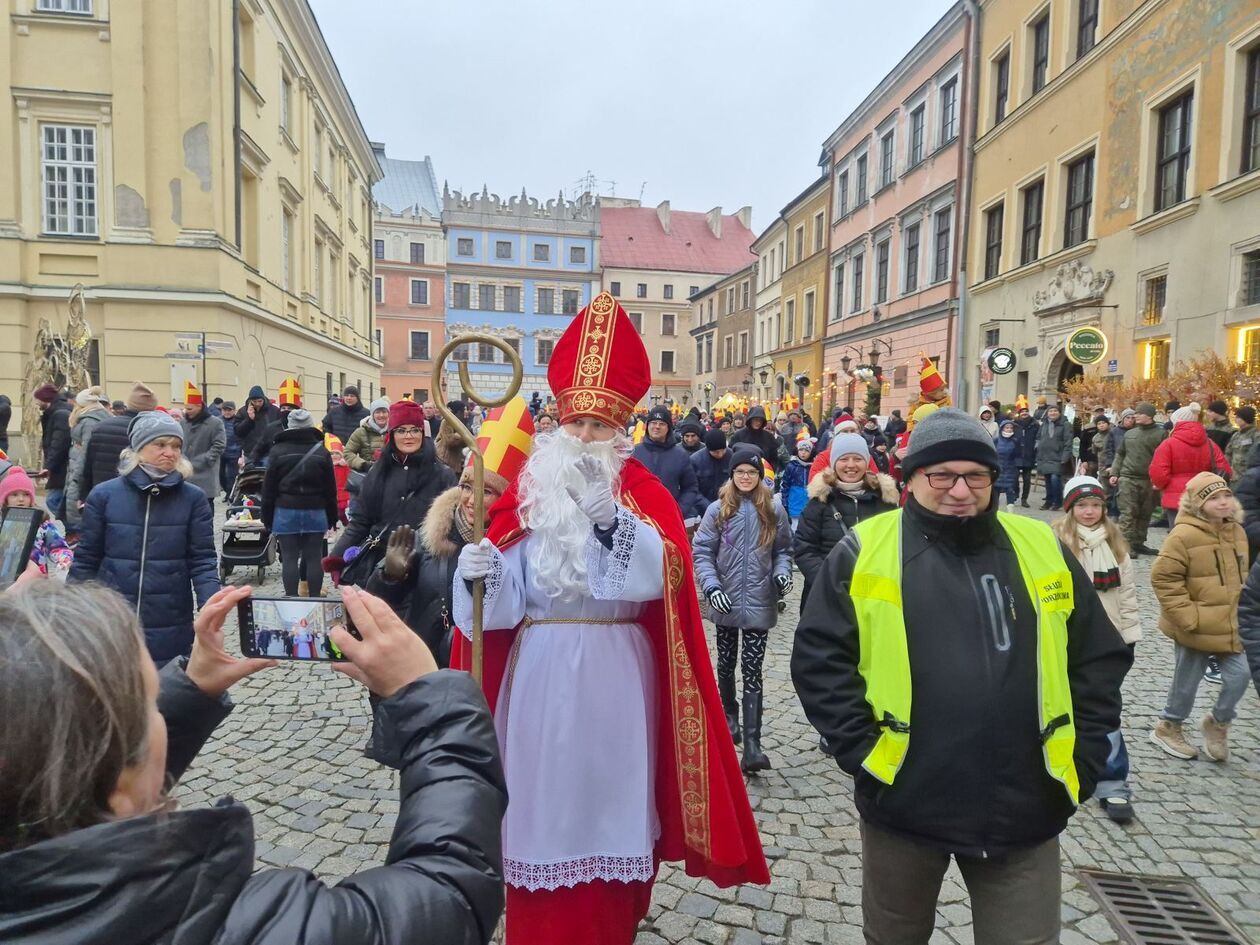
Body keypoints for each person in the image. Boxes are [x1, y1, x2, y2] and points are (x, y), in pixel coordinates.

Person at [451, 292, 767, 944]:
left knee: (611, 805)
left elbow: (664, 578)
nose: (587, 438)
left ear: (621, 430)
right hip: (538, 678)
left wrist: (609, 520)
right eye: (578, 427)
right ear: (558, 428)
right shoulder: (528, 494)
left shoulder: (640, 495)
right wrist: (479, 572)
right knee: (538, 808)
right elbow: (502, 612)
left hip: (617, 676)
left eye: (600, 427)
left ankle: (611, 923)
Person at [0, 581, 508, 944]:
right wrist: (429, 700)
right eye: (150, 704)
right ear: (117, 778)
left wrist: (191, 690)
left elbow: (89, 768)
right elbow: (449, 894)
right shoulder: (245, 926)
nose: (158, 712)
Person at [792, 408, 1131, 945]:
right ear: (911, 479)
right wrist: (863, 754)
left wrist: (1085, 759)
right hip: (905, 797)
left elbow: (1096, 657)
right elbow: (819, 658)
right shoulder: (865, 549)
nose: (959, 490)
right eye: (941, 475)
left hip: (1028, 800)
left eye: (976, 475)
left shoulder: (1039, 544)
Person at [368, 397, 534, 747]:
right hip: (430, 673)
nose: (471, 498)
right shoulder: (429, 539)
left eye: (486, 490)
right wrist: (390, 576)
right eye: (465, 485)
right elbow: (382, 604)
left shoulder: (520, 550)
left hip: (492, 685)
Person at [69, 412, 219, 664]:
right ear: (138, 448)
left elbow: (203, 559)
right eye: (160, 444)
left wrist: (211, 606)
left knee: (165, 692)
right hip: (114, 614)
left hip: (169, 616)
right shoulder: (104, 495)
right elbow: (87, 557)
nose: (170, 453)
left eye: (176, 446)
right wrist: (71, 605)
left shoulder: (193, 499)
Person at [693, 445, 793, 773]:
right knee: (726, 662)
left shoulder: (773, 509)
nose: (746, 477)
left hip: (760, 599)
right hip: (726, 597)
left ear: (759, 475)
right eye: (740, 472)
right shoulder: (718, 509)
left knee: (752, 669)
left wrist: (781, 573)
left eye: (751, 472)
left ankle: (753, 744)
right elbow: (703, 552)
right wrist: (711, 586)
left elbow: (784, 550)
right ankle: (729, 716)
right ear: (732, 475)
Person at [1052, 477, 1141, 823]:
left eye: (1096, 506)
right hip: (1067, 637)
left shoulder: (1116, 543)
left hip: (1109, 638)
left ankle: (1112, 779)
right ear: (1070, 509)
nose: (1089, 512)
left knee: (1105, 706)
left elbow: (1128, 595)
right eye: (1082, 506)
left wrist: (1129, 635)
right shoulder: (1056, 541)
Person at [1150, 473, 1250, 763]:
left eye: (1226, 496)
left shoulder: (1237, 532)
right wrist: (1188, 616)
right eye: (1213, 498)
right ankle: (1169, 726)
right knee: (1187, 681)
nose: (1222, 503)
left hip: (1230, 623)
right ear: (1197, 504)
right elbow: (1163, 577)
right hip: (1194, 625)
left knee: (1241, 675)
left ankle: (1218, 723)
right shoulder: (1183, 535)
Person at [325, 400, 457, 586]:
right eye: (401, 430)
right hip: (381, 566)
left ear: (422, 433)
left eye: (414, 430)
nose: (408, 436)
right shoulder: (378, 472)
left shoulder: (442, 474)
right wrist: (337, 558)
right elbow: (361, 521)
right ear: (392, 434)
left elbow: (453, 527)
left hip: (426, 568)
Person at [793, 432, 897, 608]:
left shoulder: (884, 502)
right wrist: (829, 582)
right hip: (825, 595)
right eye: (844, 459)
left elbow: (894, 549)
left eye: (857, 458)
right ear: (834, 463)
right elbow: (804, 548)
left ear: (866, 462)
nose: (851, 465)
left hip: (873, 598)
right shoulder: (820, 501)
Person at [261, 408, 338, 598]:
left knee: (289, 558)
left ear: (290, 426)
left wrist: (267, 517)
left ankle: (291, 599)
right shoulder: (322, 452)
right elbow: (330, 489)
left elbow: (268, 489)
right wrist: (332, 517)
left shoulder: (277, 451)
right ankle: (313, 598)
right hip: (316, 511)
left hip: (285, 510)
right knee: (314, 557)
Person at [1149, 402, 1231, 530]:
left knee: (1177, 536)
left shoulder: (1168, 444)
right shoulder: (1210, 444)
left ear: (1177, 422)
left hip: (1176, 498)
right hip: (1203, 496)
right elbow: (1224, 470)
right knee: (1201, 536)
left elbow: (1158, 473)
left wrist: (1162, 485)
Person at [80, 382, 159, 500]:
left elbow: (87, 466)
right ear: (152, 409)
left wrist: (83, 496)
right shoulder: (150, 432)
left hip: (99, 492)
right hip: (132, 497)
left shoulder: (101, 427)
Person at [1110, 402, 1166, 555]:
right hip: (1128, 478)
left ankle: (1138, 543)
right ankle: (1125, 546)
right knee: (1128, 513)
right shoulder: (1130, 434)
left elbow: (1163, 457)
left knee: (1145, 513)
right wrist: (1115, 472)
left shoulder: (1161, 434)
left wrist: (1160, 478)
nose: (1136, 416)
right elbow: (1120, 453)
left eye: (1139, 413)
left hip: (1149, 480)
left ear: (1149, 415)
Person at [631, 405, 703, 520]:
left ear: (668, 428)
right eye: (653, 423)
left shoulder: (680, 455)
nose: (657, 427)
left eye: (662, 424)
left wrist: (679, 510)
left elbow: (690, 487)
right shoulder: (634, 453)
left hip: (669, 518)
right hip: (638, 518)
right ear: (647, 425)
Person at [64, 387, 112, 535]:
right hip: (78, 470)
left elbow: (85, 454)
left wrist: (77, 480)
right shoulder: (92, 418)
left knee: (77, 517)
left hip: (79, 474)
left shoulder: (89, 421)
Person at [179, 382, 226, 512]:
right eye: (185, 408)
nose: (186, 411)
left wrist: (206, 459)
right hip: (186, 472)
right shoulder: (183, 423)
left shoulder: (215, 423)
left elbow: (219, 445)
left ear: (199, 406)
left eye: (190, 409)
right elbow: (178, 443)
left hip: (206, 472)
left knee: (205, 509)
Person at [32, 383, 72, 520]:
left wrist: (48, 466)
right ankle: (73, 531)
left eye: (38, 399)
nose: (36, 403)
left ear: (45, 399)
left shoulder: (59, 414)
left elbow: (58, 444)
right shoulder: (54, 413)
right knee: (58, 500)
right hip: (61, 466)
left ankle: (75, 529)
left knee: (53, 500)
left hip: (63, 467)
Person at [247, 377, 302, 468]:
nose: (286, 411)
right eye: (283, 408)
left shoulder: (304, 428)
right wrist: (250, 461)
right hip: (276, 467)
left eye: (290, 408)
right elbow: (260, 446)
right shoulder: (272, 428)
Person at [1034, 404, 1073, 510]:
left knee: (1055, 479)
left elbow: (1068, 442)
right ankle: (1048, 501)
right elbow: (1038, 437)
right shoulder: (1044, 424)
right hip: (1044, 456)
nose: (1053, 413)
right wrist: (1037, 448)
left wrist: (1065, 456)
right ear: (1047, 413)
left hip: (1058, 456)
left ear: (1059, 413)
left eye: (1055, 411)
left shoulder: (1065, 424)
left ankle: (1058, 501)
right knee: (1047, 480)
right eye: (1050, 411)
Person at [232, 383, 281, 462]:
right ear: (250, 401)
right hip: (250, 453)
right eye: (254, 401)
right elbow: (238, 432)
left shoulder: (274, 410)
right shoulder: (242, 412)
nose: (257, 404)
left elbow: (278, 428)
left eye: (260, 401)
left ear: (263, 399)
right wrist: (249, 419)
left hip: (268, 452)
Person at [730, 404, 783, 473]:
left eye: (760, 420)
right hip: (743, 473)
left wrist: (770, 471)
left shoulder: (769, 437)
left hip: (764, 473)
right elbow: (732, 454)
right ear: (750, 420)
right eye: (755, 420)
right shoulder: (739, 435)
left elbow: (774, 458)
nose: (758, 422)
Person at [344, 397, 390, 473]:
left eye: (384, 412)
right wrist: (364, 465)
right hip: (368, 475)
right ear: (372, 414)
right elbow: (347, 453)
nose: (381, 415)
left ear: (388, 414)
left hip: (390, 475)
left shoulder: (395, 431)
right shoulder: (361, 432)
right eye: (377, 412)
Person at [691, 427, 732, 506]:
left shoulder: (732, 456)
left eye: (723, 450)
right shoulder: (695, 460)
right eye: (716, 452)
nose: (720, 454)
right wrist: (709, 507)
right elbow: (692, 489)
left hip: (728, 504)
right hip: (703, 506)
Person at [781, 437, 814, 523]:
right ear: (797, 451)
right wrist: (785, 504)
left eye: (806, 450)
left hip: (809, 505)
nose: (803, 452)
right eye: (801, 450)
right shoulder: (791, 466)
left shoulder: (813, 467)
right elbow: (785, 485)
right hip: (794, 504)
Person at [1012, 405, 1039, 507]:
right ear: (1020, 413)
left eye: (1026, 411)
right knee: (1014, 478)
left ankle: (1024, 499)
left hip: (1029, 455)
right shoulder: (1014, 424)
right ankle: (1016, 493)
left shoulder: (1035, 425)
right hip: (1017, 454)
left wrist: (1035, 452)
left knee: (1027, 480)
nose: (1024, 413)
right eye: (1022, 412)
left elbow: (1038, 439)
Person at [1226, 405, 1257, 485]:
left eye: (1238, 417)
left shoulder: (1256, 435)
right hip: (1235, 478)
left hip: (1250, 479)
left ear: (1245, 418)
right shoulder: (1236, 435)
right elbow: (1228, 453)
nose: (1236, 419)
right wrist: (1228, 469)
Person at [995, 418, 1021, 510]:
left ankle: (1011, 512)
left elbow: (1018, 454)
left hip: (1010, 469)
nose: (1009, 429)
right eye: (1007, 428)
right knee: (996, 490)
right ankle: (995, 511)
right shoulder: (996, 440)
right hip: (998, 468)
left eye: (1011, 428)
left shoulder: (1015, 441)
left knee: (1010, 490)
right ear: (1002, 429)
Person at [219, 401, 241, 497]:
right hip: (220, 453)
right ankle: (226, 490)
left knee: (232, 475)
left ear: (234, 410)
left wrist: (240, 451)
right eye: (225, 410)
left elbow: (241, 436)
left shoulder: (238, 420)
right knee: (221, 475)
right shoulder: (218, 421)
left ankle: (230, 494)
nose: (227, 412)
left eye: (229, 410)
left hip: (234, 452)